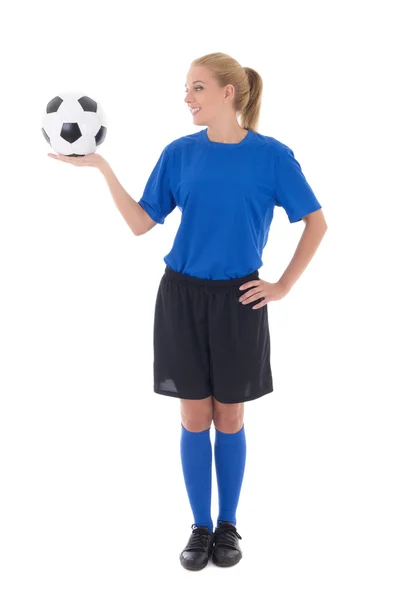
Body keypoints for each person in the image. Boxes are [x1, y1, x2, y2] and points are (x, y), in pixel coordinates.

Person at [48, 52, 328, 571]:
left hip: (240, 300)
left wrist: (283, 286)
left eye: (196, 88)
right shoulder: (179, 153)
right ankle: (200, 526)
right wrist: (102, 168)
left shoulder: (272, 157)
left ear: (228, 93)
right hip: (181, 297)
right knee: (195, 415)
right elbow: (141, 223)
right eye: (186, 88)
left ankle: (229, 525)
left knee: (231, 416)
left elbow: (315, 222)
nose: (187, 98)